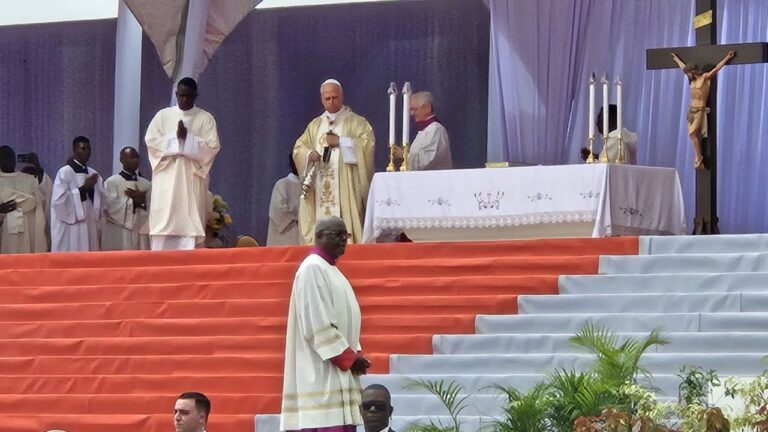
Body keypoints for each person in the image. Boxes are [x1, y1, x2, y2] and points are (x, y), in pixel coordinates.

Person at [280, 216, 371, 432]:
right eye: (336, 235)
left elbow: (345, 319)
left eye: (345, 235)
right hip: (321, 374)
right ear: (318, 236)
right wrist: (348, 357)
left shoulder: (333, 271)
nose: (343, 240)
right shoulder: (312, 268)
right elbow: (316, 325)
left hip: (337, 371)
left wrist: (355, 352)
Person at [293, 79, 375, 245]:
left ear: (342, 96)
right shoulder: (315, 125)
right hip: (320, 184)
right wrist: (309, 154)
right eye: (327, 98)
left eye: (335, 97)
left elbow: (367, 145)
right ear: (322, 99)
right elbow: (298, 148)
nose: (331, 101)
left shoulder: (357, 122)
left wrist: (341, 142)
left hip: (345, 185)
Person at [145, 77, 221, 250]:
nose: (184, 100)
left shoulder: (205, 118)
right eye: (181, 96)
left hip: (190, 179)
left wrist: (188, 140)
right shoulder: (163, 116)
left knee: (190, 225)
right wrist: (175, 139)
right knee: (164, 222)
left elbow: (212, 147)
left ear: (196, 96)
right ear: (176, 94)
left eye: (189, 96)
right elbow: (151, 142)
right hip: (167, 179)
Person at [670, 50, 735, 169]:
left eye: (688, 73)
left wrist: (727, 58)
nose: (687, 75)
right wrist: (676, 59)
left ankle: (698, 157)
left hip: (700, 110)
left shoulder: (704, 78)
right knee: (692, 135)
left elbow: (716, 69)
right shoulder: (692, 81)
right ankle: (698, 156)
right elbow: (683, 67)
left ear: (693, 71)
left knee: (692, 132)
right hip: (691, 110)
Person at [50, 136, 106, 252]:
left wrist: (94, 192)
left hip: (89, 224)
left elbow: (102, 203)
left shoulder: (93, 173)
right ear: (75, 150)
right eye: (83, 148)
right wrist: (84, 189)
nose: (87, 152)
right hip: (70, 228)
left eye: (89, 149)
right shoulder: (64, 172)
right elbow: (59, 201)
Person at [101, 147, 151, 250]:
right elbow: (110, 208)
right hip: (118, 232)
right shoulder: (111, 182)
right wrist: (133, 202)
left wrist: (143, 202)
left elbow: (152, 208)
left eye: (136, 157)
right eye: (131, 158)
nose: (135, 160)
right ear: (122, 160)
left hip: (140, 230)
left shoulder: (146, 184)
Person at [0, 145, 47, 254]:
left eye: (9, 157)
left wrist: (38, 167)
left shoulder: (28, 179)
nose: (7, 160)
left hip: (28, 231)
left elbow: (43, 199)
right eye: (3, 157)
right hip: (5, 233)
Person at [392, 91, 452, 171]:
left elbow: (428, 160)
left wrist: (404, 155)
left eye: (414, 109)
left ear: (427, 108)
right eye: (410, 110)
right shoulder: (425, 130)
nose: (411, 113)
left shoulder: (435, 130)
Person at [19, 152, 53, 250]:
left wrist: (37, 167)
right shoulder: (15, 188)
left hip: (37, 232)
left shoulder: (39, 189)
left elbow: (45, 190)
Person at [267, 154, 301, 246]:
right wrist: (300, 219)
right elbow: (278, 210)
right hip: (285, 235)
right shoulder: (282, 184)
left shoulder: (312, 186)